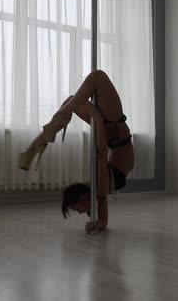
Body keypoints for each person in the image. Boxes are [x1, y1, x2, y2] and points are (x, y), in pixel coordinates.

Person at [18, 70, 134, 233]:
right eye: (77, 209)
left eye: (76, 208)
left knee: (72, 100)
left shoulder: (99, 191)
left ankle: (41, 141)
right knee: (97, 76)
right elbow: (101, 153)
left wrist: (98, 224)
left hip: (111, 131)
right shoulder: (100, 188)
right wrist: (98, 120)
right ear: (83, 197)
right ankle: (43, 138)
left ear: (83, 196)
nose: (80, 212)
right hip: (113, 127)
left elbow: (103, 221)